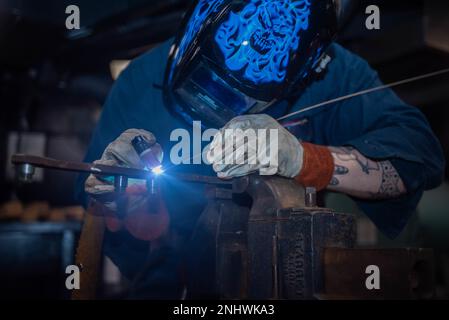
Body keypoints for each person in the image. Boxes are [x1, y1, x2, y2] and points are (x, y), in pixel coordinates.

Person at [76, 0, 445, 298]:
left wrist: (304, 159)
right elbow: (103, 215)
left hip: (284, 279)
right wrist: (119, 193)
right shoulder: (139, 82)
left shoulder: (331, 73)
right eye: (208, 83)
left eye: (244, 98)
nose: (221, 108)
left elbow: (420, 156)